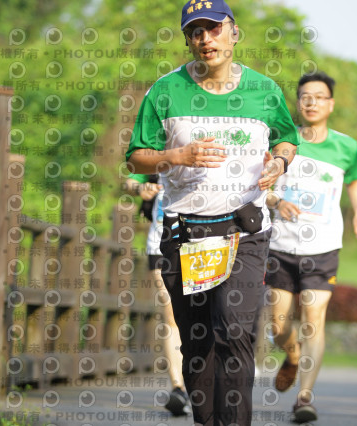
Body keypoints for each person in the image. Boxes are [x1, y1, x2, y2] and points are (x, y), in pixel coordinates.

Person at [125, 0, 299, 424]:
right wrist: (177, 155)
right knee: (197, 343)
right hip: (185, 233)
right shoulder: (165, 90)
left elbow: (287, 138)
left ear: (234, 33)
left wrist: (279, 162)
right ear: (188, 40)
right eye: (196, 32)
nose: (206, 39)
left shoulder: (264, 90)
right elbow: (136, 158)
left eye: (214, 28)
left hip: (245, 230)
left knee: (233, 330)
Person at [264, 71, 357, 423]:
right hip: (280, 244)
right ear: (298, 102)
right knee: (279, 326)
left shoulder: (346, 147)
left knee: (313, 318)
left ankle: (304, 398)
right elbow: (261, 186)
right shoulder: (282, 142)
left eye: (319, 97)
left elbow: (354, 181)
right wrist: (277, 202)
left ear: (331, 104)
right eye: (305, 96)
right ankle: (293, 356)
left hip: (323, 247)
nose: (312, 102)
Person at [125, 174, 188, 416]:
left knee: (201, 315)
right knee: (170, 314)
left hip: (201, 243)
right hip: (160, 243)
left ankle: (200, 380)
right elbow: (129, 181)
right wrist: (141, 187)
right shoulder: (156, 154)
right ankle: (178, 388)